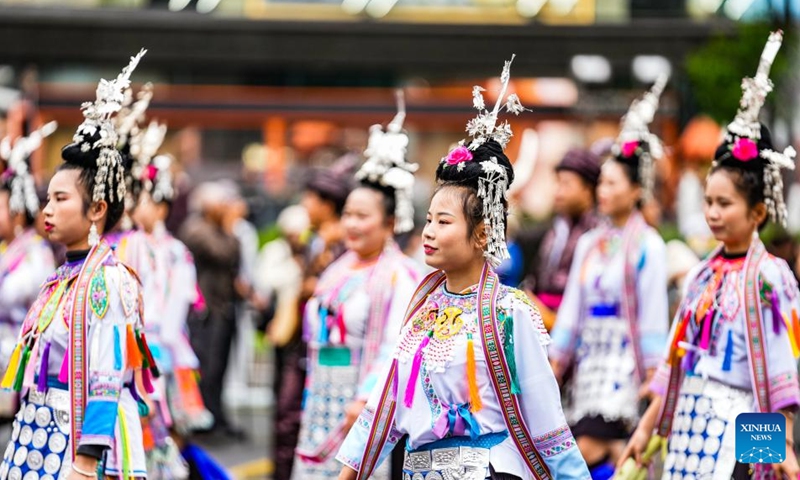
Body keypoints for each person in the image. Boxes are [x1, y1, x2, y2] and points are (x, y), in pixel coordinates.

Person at [337, 57, 589, 480]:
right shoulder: (422, 310)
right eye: (428, 220)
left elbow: (548, 422)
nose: (428, 232)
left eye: (444, 222)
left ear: (481, 234)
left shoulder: (509, 313)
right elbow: (384, 408)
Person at [619, 31, 800, 480]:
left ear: (758, 212)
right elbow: (677, 358)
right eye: (708, 202)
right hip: (688, 426)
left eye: (725, 204)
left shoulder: (770, 277)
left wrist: (780, 447)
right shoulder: (701, 274)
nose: (713, 213)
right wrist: (645, 430)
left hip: (740, 425)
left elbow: (778, 370)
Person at [0, 50, 153, 479]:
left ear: (96, 209)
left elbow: (107, 375)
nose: (47, 209)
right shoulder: (63, 276)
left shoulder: (107, 280)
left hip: (75, 445)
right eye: (48, 198)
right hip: (37, 433)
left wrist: (86, 463)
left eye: (60, 199)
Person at [292, 95, 422, 480]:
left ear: (390, 222)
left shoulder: (400, 275)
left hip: (363, 402)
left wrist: (367, 398)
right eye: (347, 214)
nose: (351, 224)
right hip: (321, 393)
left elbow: (395, 346)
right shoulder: (337, 269)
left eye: (363, 216)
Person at [548, 75, 670, 476]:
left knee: (586, 448)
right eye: (601, 182)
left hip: (625, 364)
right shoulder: (590, 243)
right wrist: (555, 363)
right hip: (589, 360)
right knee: (589, 449)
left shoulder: (648, 245)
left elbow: (653, 315)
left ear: (636, 190)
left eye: (612, 183)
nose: (602, 191)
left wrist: (652, 376)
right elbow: (572, 309)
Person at [272, 156, 354, 480]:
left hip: (327, 348)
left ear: (328, 204)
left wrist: (313, 288)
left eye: (310, 198)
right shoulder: (314, 239)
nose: (305, 204)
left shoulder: (341, 245)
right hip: (301, 343)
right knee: (287, 419)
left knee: (298, 420)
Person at [0, 122, 57, 420]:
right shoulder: (7, 249)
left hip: (16, 354)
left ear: (18, 211)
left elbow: (11, 296)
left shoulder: (37, 253)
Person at [179, 181, 243, 438]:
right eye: (221, 204)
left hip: (221, 308)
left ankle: (217, 416)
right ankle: (205, 419)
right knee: (208, 366)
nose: (226, 209)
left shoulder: (213, 229)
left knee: (220, 367)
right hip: (205, 313)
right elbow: (225, 254)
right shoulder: (196, 229)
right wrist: (229, 226)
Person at [522, 148, 600, 315]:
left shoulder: (597, 233)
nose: (558, 192)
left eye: (566, 184)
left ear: (588, 190)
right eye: (557, 183)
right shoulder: (557, 229)